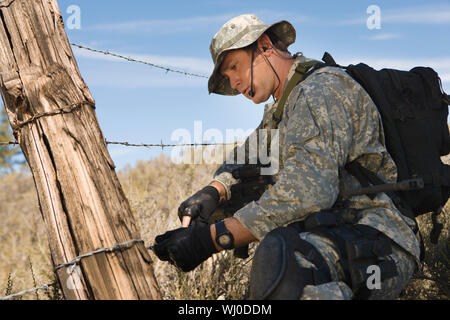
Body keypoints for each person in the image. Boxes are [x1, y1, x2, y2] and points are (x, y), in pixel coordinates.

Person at [153, 14, 421, 300]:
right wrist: (212, 191)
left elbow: (307, 194)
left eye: (235, 66)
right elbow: (247, 158)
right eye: (228, 80)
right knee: (279, 259)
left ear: (266, 46)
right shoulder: (280, 110)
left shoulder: (320, 90)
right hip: (331, 231)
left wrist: (212, 239)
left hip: (378, 234)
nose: (235, 83)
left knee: (288, 271)